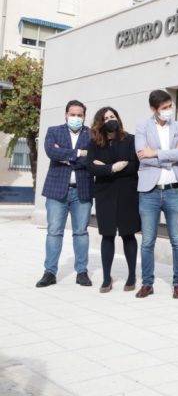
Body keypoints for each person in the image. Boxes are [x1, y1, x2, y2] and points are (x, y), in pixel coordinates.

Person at [135, 90, 178, 299]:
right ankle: (147, 283)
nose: (168, 111)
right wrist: (170, 155)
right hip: (149, 192)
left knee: (177, 240)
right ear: (153, 109)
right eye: (164, 108)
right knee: (148, 240)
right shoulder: (142, 127)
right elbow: (142, 157)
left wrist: (156, 152)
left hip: (174, 190)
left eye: (170, 106)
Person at [36, 100, 95, 288]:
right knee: (54, 231)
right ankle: (50, 272)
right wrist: (79, 153)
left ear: (84, 116)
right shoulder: (54, 131)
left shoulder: (92, 135)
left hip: (82, 191)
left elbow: (92, 159)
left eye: (79, 115)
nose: (76, 118)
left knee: (81, 232)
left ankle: (82, 272)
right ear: (66, 114)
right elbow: (50, 152)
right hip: (56, 191)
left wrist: (66, 155)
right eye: (73, 114)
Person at [86, 107, 141, 293]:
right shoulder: (95, 143)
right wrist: (114, 167)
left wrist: (107, 167)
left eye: (113, 116)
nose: (110, 119)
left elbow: (134, 165)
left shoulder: (130, 139)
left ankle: (132, 275)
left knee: (128, 234)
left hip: (127, 192)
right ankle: (106, 278)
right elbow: (91, 167)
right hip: (105, 193)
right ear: (100, 122)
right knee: (107, 235)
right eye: (106, 117)